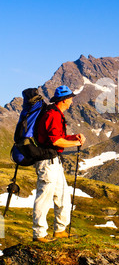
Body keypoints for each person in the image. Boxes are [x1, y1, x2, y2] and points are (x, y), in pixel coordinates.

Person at [32, 85, 86, 242]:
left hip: (53, 161)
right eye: (70, 98)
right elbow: (55, 141)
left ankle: (60, 230)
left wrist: (74, 137)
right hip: (47, 162)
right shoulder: (53, 115)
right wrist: (75, 143)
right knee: (44, 197)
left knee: (62, 196)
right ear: (64, 100)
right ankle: (39, 234)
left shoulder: (55, 113)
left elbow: (57, 137)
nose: (71, 101)